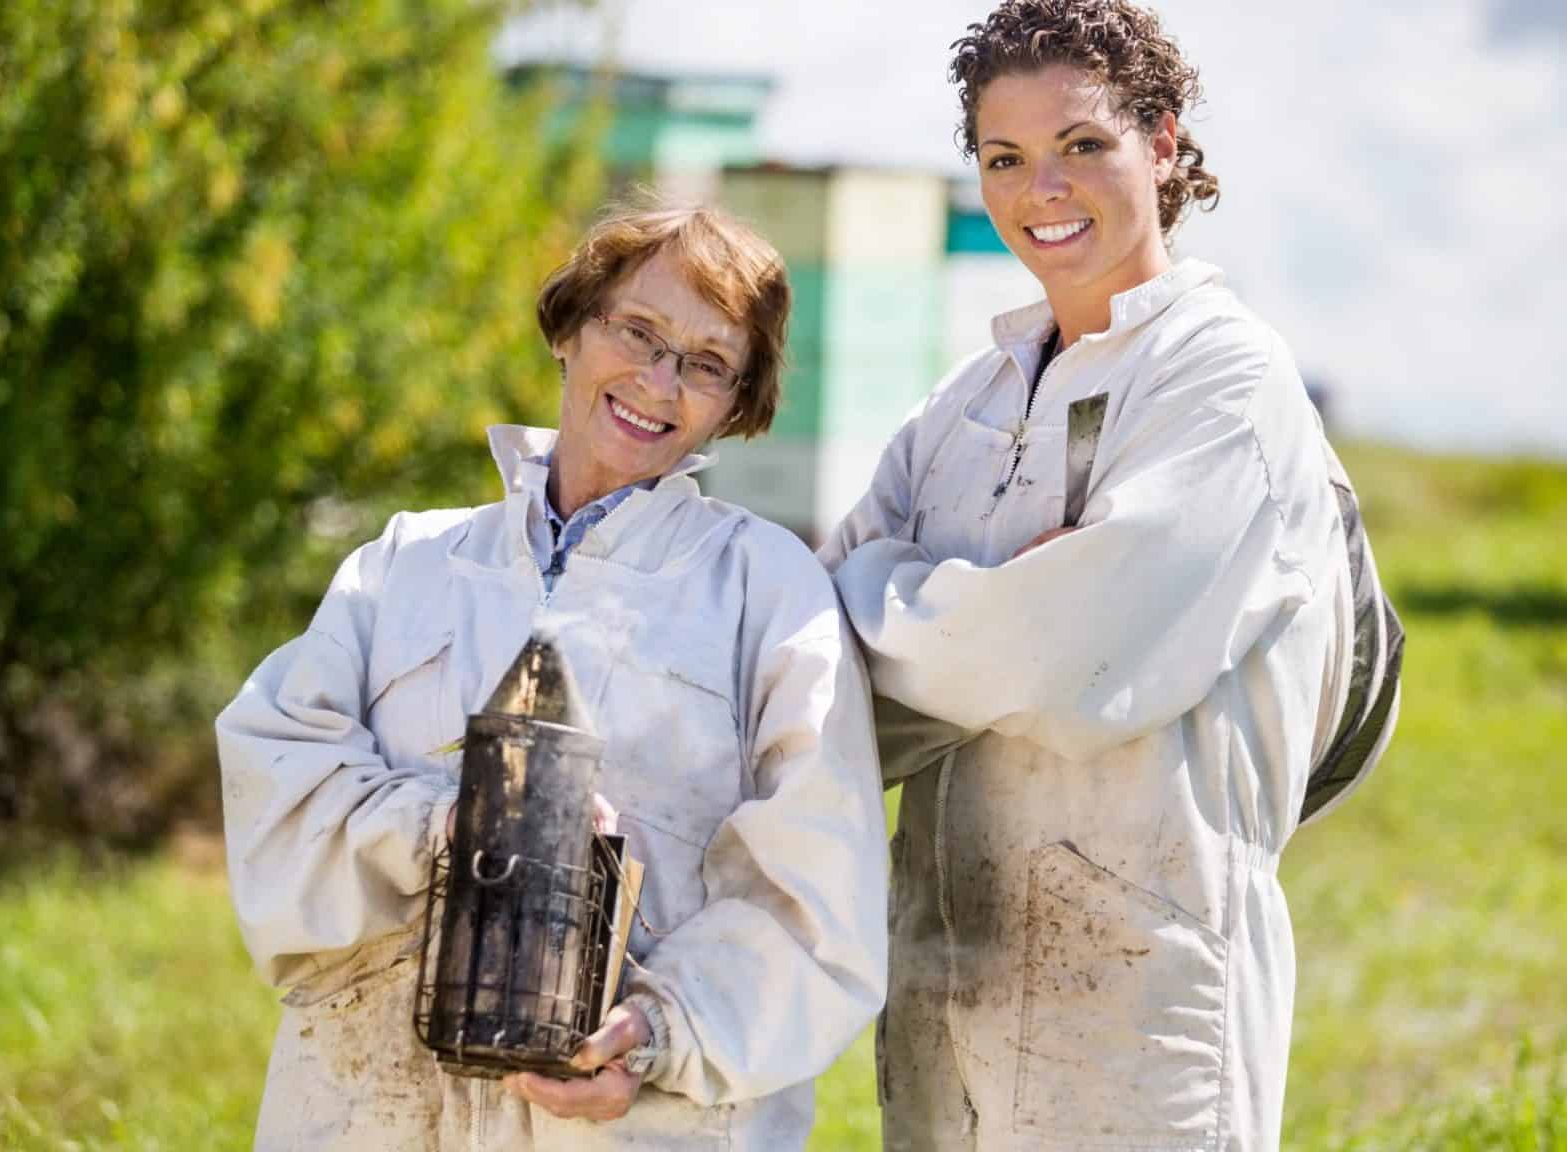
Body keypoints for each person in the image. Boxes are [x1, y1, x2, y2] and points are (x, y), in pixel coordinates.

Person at [217, 204, 888, 1150]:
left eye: (705, 364)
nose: (659, 382)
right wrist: (450, 821)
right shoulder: (406, 560)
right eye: (639, 332)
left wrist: (659, 1032)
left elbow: (816, 891)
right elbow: (278, 776)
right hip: (370, 1106)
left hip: (623, 1122)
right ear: (572, 326)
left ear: (738, 403)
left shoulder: (768, 591)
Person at [820, 3, 1349, 1149]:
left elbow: (1057, 660)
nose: (1041, 189)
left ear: (1162, 144)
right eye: (1005, 158)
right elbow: (822, 668)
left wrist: (901, 588)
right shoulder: (962, 407)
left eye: (1083, 146)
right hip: (947, 978)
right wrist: (973, 601)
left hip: (1139, 997)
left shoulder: (1223, 382)